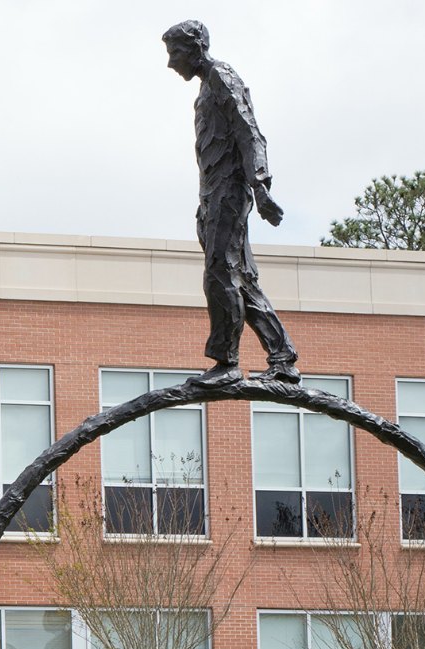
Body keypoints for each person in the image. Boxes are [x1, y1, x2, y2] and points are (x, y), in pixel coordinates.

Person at [163, 19, 300, 386]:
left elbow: (249, 131)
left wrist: (260, 186)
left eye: (175, 52)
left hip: (229, 191)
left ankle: (227, 362)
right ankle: (283, 357)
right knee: (242, 280)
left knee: (219, 275)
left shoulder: (223, 77)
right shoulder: (206, 88)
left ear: (196, 47)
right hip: (212, 195)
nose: (171, 63)